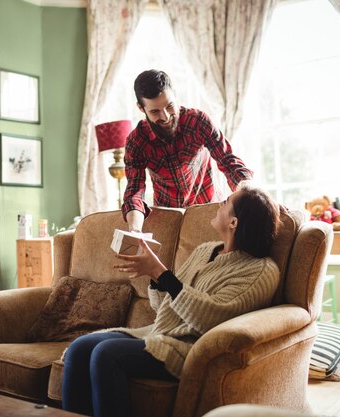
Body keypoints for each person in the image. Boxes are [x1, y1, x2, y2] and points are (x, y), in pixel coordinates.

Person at [62, 185, 281, 417]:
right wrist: (155, 278)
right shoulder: (205, 250)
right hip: (160, 334)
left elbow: (213, 317)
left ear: (234, 222)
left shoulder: (260, 270)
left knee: (106, 353)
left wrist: (161, 273)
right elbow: (165, 308)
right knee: (80, 347)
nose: (220, 204)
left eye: (226, 202)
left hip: (189, 348)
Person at [122, 69, 253, 232]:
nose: (166, 116)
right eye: (155, 111)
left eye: (169, 106)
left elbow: (228, 161)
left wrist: (251, 193)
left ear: (175, 95)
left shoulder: (198, 122)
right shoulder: (136, 142)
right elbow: (135, 191)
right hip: (169, 219)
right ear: (141, 108)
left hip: (209, 211)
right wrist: (135, 230)